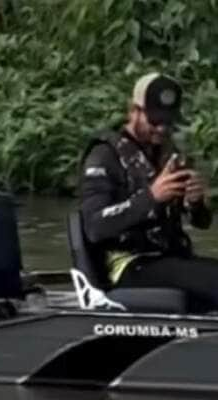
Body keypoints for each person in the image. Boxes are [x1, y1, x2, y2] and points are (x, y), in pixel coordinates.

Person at [79, 72, 217, 312]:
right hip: (128, 264)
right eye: (154, 121)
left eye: (168, 122)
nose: (162, 129)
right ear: (134, 111)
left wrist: (195, 203)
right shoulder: (104, 156)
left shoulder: (169, 154)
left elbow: (202, 222)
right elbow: (94, 227)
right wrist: (152, 197)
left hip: (172, 259)